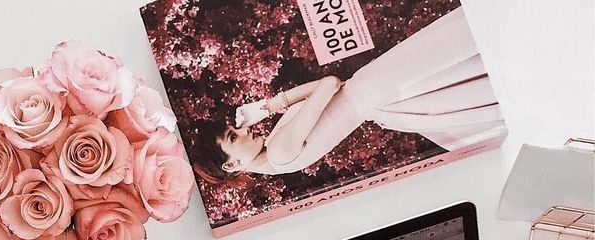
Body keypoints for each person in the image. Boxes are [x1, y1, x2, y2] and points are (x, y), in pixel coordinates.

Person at [193, 7, 507, 181]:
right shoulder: (278, 152)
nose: (244, 130)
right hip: (374, 90)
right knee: (448, 54)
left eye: (235, 130)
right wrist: (272, 106)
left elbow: (324, 92)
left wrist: (271, 105)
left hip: (374, 94)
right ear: (232, 165)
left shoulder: (276, 153)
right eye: (234, 138)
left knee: (450, 64)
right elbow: (330, 84)